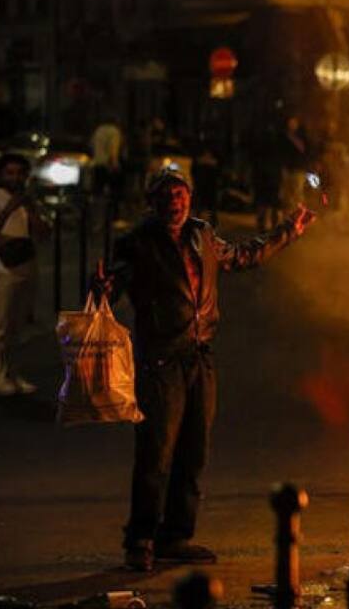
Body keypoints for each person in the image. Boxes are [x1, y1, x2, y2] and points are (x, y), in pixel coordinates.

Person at [93, 169, 316, 571]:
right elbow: (115, 284)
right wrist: (103, 288)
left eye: (180, 195)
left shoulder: (203, 235)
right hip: (160, 359)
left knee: (194, 450)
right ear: (152, 202)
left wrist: (288, 231)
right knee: (156, 452)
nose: (174, 203)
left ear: (190, 199)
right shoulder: (137, 242)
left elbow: (244, 255)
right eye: (166, 196)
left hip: (200, 356)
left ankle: (176, 536)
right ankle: (140, 539)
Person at [0, 153, 48, 395]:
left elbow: (43, 233)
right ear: (0, 175)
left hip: (27, 263)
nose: (15, 178)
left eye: (20, 173)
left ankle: (14, 373)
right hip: (4, 265)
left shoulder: (28, 201)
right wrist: (9, 208)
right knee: (1, 324)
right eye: (10, 173)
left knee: (18, 326)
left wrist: (31, 209)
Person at [90, 115, 124, 200]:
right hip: (108, 164)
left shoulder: (98, 130)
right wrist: (115, 164)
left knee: (98, 191)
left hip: (97, 163)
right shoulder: (114, 132)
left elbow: (91, 145)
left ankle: (97, 210)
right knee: (113, 194)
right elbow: (113, 149)